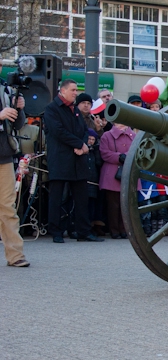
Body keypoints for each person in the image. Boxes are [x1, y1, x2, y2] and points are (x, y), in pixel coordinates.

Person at [43, 79, 103, 243]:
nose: (75, 93)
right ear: (62, 91)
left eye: (76, 90)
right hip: (61, 159)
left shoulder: (75, 110)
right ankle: (56, 231)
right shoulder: (51, 109)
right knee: (57, 197)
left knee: (81, 197)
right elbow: (58, 132)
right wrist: (79, 144)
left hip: (78, 160)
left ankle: (83, 231)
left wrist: (82, 144)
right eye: (73, 90)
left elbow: (84, 129)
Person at [0, 89, 29, 266]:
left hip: (4, 156)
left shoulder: (6, 90)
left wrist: (19, 109)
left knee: (8, 208)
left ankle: (15, 255)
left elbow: (18, 125)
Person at [99, 118, 136, 239]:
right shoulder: (107, 135)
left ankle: (124, 229)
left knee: (126, 203)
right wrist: (119, 157)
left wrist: (127, 157)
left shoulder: (134, 136)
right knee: (113, 205)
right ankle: (114, 230)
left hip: (129, 171)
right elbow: (104, 153)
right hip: (112, 173)